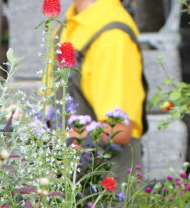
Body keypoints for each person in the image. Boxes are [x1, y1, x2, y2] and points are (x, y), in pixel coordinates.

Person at [61, 0, 148, 177]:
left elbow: (118, 131)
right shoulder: (71, 22)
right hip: (71, 179)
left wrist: (50, 138)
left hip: (103, 189)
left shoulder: (112, 36)